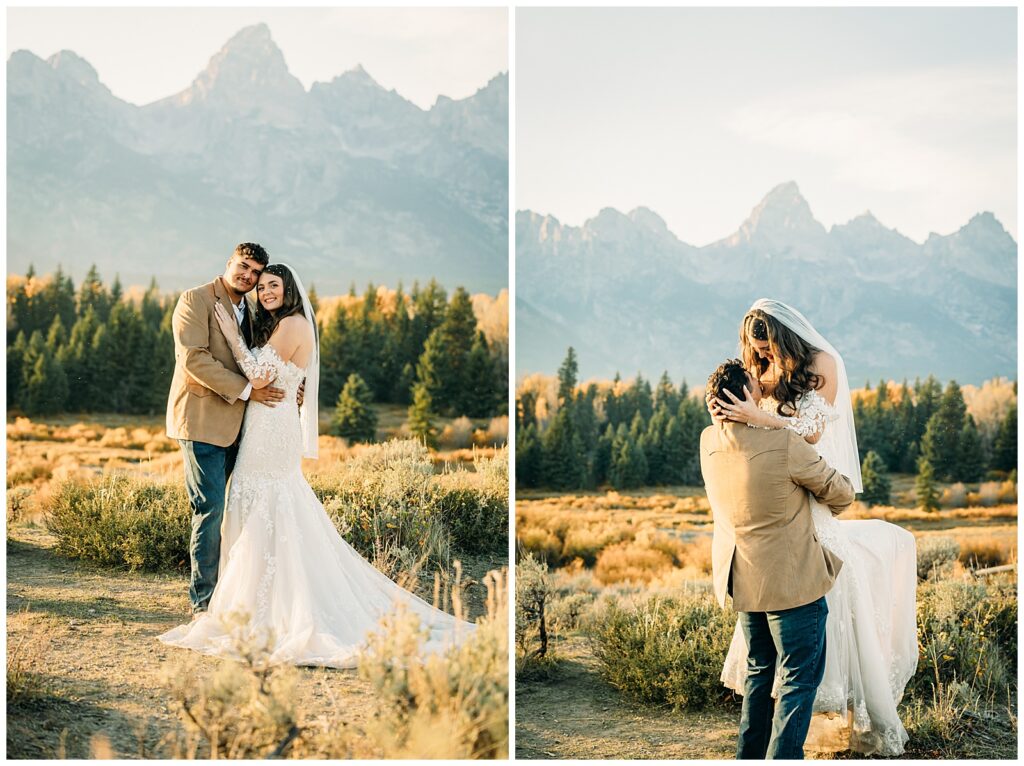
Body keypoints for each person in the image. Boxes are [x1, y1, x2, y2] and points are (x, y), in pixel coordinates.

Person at [159, 263, 474, 666]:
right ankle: (250, 600)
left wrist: (233, 335)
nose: (266, 291)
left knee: (264, 502)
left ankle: (262, 606)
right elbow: (275, 374)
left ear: (290, 290)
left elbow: (256, 374)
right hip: (264, 423)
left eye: (274, 285)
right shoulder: (278, 325)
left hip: (270, 429)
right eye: (263, 286)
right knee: (259, 504)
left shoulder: (291, 325)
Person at [710, 299, 917, 757]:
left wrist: (759, 417)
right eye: (752, 349)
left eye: (764, 348)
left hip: (804, 482)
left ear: (783, 336)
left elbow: (812, 431)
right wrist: (735, 411)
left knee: (821, 602)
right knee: (785, 651)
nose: (760, 357)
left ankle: (832, 722)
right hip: (777, 501)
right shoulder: (761, 367)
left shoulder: (821, 363)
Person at [701, 358, 855, 759]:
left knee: (758, 674)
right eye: (756, 384)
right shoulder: (784, 443)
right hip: (792, 584)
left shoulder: (708, 442)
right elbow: (841, 493)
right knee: (798, 680)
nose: (765, 390)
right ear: (745, 398)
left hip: (745, 580)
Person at [165, 242, 287, 616]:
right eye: (243, 266)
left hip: (238, 427)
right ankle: (203, 603)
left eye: (254, 272)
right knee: (211, 508)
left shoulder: (248, 309)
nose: (248, 276)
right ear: (229, 263)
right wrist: (250, 391)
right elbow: (193, 358)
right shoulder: (195, 299)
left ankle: (233, 594)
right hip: (201, 421)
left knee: (233, 509)